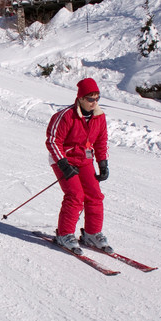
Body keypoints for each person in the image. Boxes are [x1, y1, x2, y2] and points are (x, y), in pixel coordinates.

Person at [45, 77, 112, 254]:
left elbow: (101, 141)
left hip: (84, 160)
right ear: (81, 98)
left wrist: (102, 163)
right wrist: (64, 165)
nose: (94, 102)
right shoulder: (65, 116)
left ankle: (92, 233)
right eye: (90, 99)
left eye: (97, 98)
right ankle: (64, 234)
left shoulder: (99, 117)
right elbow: (53, 142)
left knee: (95, 195)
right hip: (63, 159)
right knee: (75, 195)